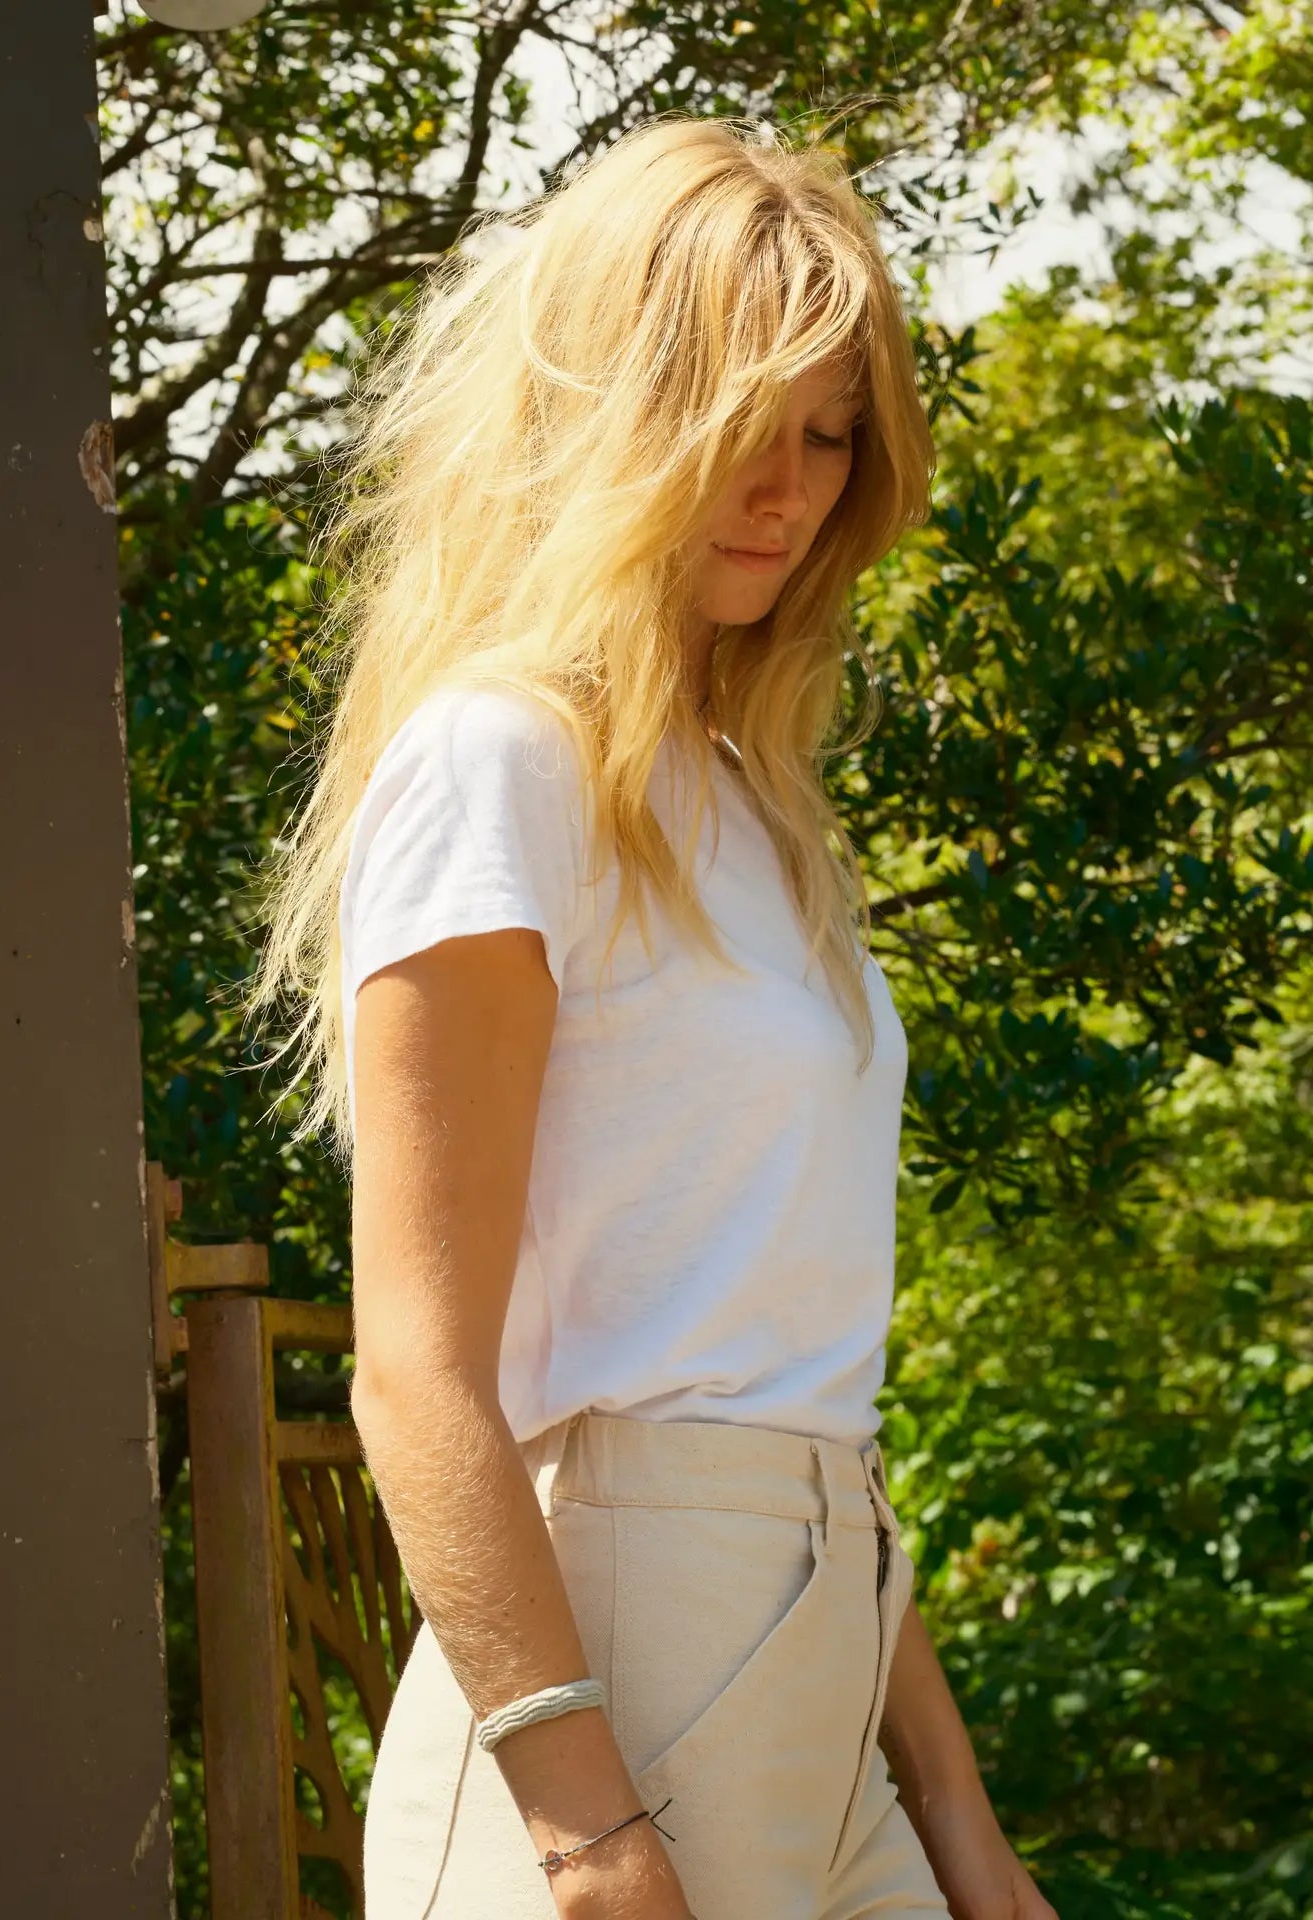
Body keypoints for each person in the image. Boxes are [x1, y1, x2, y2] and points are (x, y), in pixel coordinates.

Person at [248, 112, 1058, 1920]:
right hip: (608, 1676)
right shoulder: (501, 760)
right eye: (737, 427)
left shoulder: (759, 808)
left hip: (829, 1650)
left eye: (829, 436)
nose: (788, 490)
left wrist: (958, 1819)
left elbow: (790, 1393)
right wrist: (586, 1834)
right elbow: (416, 1377)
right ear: (610, 417)